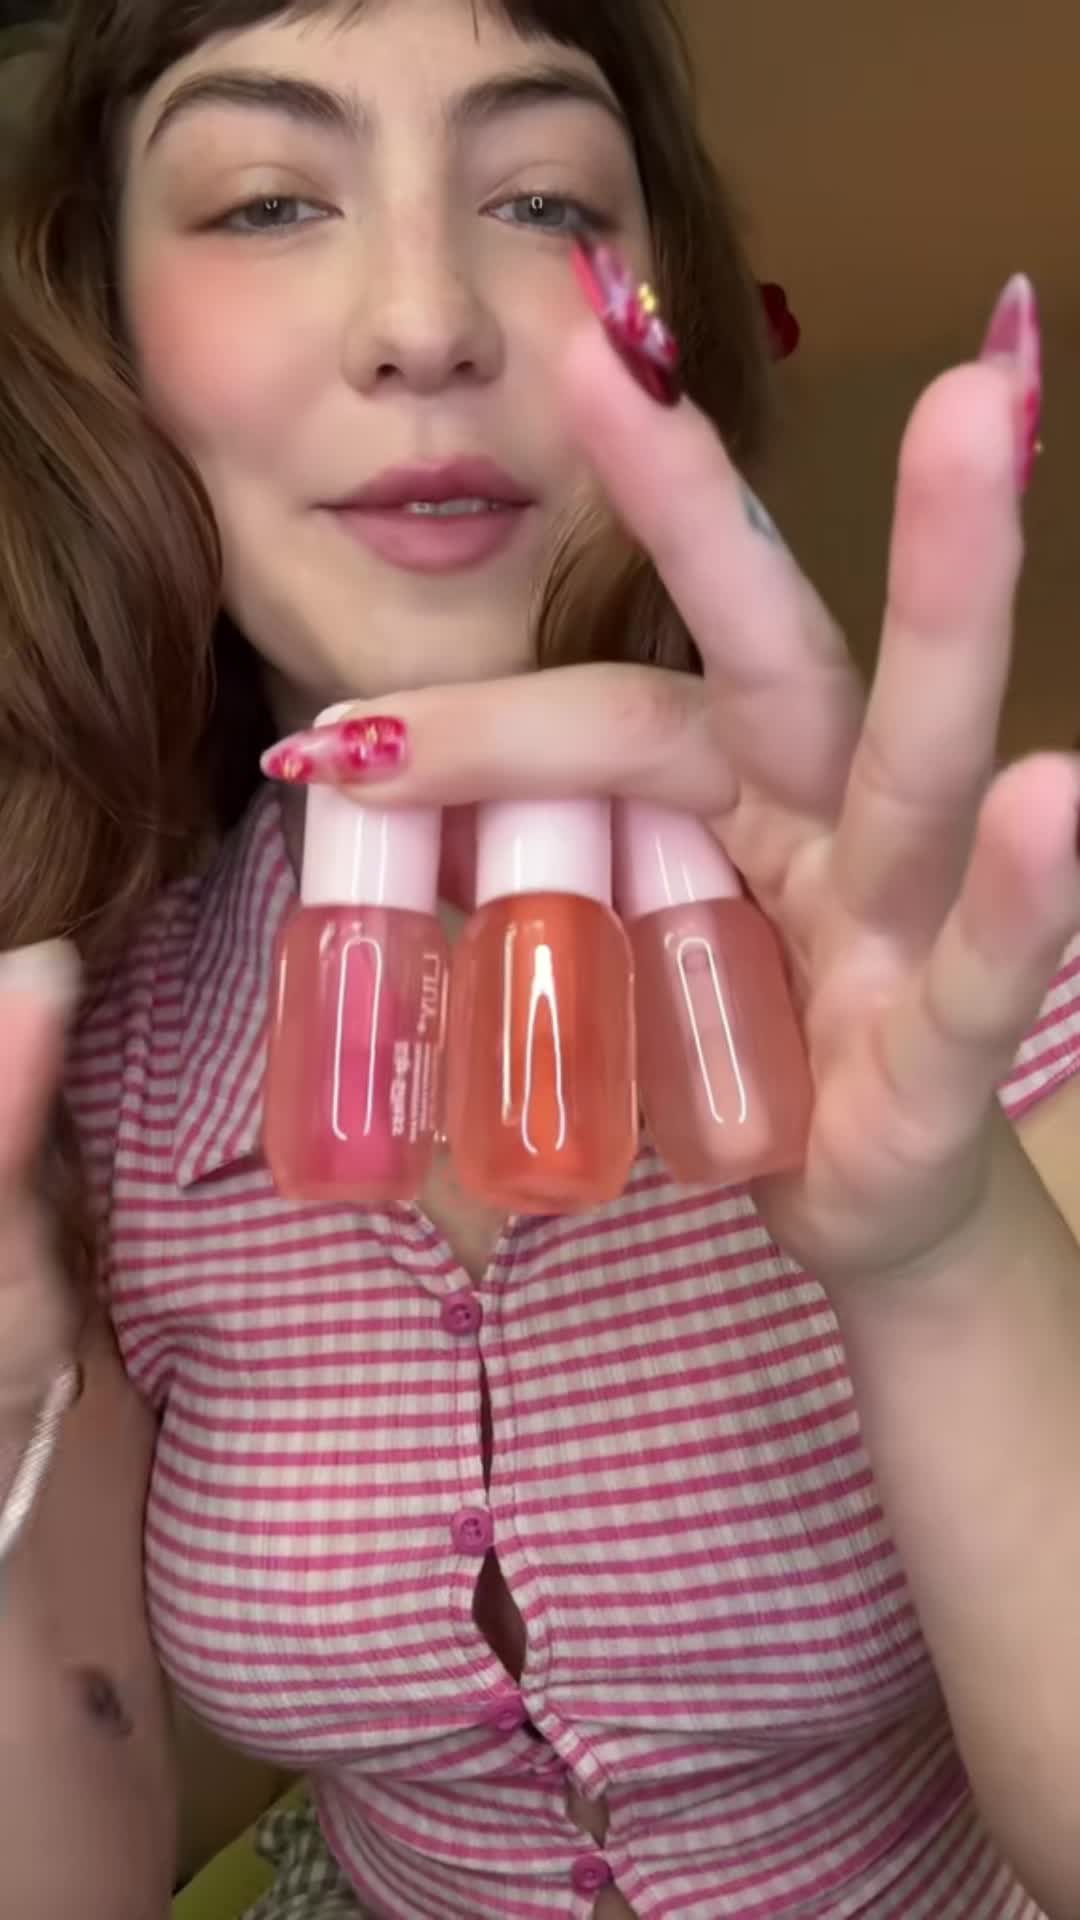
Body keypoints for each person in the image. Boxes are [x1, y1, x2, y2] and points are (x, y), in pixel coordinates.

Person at [1, 1, 1079, 1916]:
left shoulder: (994, 956)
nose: (428, 318)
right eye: (264, 200)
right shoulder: (86, 1060)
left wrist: (943, 1258)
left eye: (542, 197)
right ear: (107, 342)